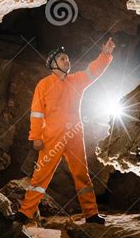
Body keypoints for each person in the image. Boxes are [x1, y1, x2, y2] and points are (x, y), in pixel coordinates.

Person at [14, 37, 115, 226]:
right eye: (62, 59)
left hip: (75, 135)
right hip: (52, 137)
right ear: (52, 64)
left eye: (67, 58)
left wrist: (106, 54)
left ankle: (91, 213)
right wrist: (35, 137)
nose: (67, 61)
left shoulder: (76, 80)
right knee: (41, 176)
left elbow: (94, 71)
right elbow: (36, 114)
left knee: (82, 174)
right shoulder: (43, 85)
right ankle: (25, 213)